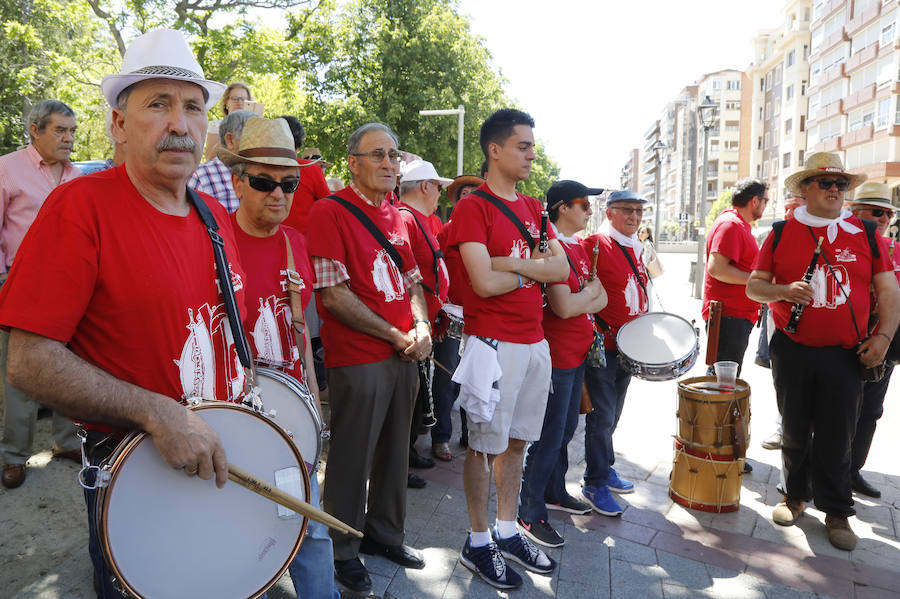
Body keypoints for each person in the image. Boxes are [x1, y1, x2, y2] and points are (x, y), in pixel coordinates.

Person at [0, 28, 253, 594]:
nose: (179, 123)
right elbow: (28, 361)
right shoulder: (79, 207)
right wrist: (158, 413)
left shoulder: (214, 214)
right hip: (133, 472)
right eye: (157, 104)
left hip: (214, 457)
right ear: (118, 124)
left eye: (193, 107)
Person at [747, 152, 900, 551]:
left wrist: (882, 338)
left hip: (847, 352)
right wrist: (782, 291)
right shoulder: (780, 232)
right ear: (805, 189)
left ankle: (836, 510)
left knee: (839, 432)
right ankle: (794, 495)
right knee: (794, 426)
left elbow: (889, 292)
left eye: (841, 185)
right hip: (793, 348)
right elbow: (754, 287)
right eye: (826, 183)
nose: (836, 191)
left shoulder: (866, 233)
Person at [445, 108, 568, 590]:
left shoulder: (535, 207)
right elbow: (482, 280)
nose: (531, 154)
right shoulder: (472, 207)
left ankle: (506, 527)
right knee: (481, 446)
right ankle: (478, 540)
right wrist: (525, 268)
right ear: (494, 150)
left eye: (533, 146)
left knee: (517, 441)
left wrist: (509, 265)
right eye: (523, 145)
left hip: (534, 341)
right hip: (492, 344)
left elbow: (560, 270)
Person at [306, 122, 431, 594]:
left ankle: (385, 533)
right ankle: (340, 547)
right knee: (350, 458)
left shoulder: (399, 216)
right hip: (359, 356)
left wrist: (419, 325)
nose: (387, 163)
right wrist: (398, 334)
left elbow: (413, 280)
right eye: (376, 154)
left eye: (394, 155)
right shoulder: (330, 212)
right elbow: (333, 297)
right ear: (353, 163)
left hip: (404, 351)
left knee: (397, 451)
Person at [221, 115, 338, 599]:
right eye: (264, 181)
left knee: (308, 524)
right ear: (237, 181)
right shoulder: (212, 241)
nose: (278, 193)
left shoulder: (297, 244)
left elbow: (300, 340)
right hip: (233, 414)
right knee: (239, 530)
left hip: (290, 413)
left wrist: (312, 404)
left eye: (289, 183)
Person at [518, 180, 607, 548]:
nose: (589, 211)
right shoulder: (550, 248)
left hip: (575, 353)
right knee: (549, 435)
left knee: (566, 429)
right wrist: (586, 295)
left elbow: (599, 297)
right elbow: (564, 306)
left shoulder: (579, 248)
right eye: (583, 204)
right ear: (561, 208)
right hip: (556, 357)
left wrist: (583, 296)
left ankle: (553, 491)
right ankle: (529, 510)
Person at [0, 99, 82, 489]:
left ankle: (66, 442)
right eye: (60, 130)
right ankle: (15, 456)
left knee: (70, 367)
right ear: (36, 130)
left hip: (71, 286)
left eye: (72, 132)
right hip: (21, 284)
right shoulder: (7, 168)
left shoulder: (78, 176)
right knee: (21, 373)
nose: (68, 139)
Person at [579, 190, 650, 517]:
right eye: (627, 211)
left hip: (629, 348)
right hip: (603, 348)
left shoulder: (637, 247)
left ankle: (604, 467)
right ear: (609, 213)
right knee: (602, 415)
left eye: (638, 211)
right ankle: (594, 482)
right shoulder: (595, 243)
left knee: (614, 414)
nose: (634, 217)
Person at [397, 160, 452, 483]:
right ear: (425, 186)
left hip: (423, 323)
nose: (440, 194)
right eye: (439, 187)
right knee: (408, 399)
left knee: (416, 398)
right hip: (411, 326)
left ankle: (407, 451)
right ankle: (398, 462)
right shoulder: (407, 219)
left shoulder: (418, 219)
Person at [845, 181, 898, 499]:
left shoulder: (897, 250)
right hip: (845, 340)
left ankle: (852, 472)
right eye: (877, 212)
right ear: (855, 213)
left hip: (883, 343)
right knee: (833, 410)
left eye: (889, 214)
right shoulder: (846, 245)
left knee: (870, 411)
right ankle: (812, 474)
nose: (884, 218)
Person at [433, 174, 485, 450]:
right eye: (466, 193)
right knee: (446, 377)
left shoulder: (489, 232)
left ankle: (471, 434)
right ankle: (441, 437)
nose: (471, 198)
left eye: (476, 193)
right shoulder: (445, 232)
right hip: (452, 315)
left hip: (482, 318)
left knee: (477, 378)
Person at [702, 177, 768, 377]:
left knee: (723, 380)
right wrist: (757, 281)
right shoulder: (731, 224)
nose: (766, 205)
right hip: (729, 318)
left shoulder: (736, 223)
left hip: (734, 318)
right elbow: (717, 268)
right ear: (754, 201)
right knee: (722, 382)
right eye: (766, 201)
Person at [759, 193, 806, 450]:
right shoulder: (778, 235)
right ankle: (782, 429)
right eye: (786, 209)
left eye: (795, 209)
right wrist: (785, 291)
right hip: (779, 317)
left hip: (816, 330)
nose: (788, 214)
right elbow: (758, 281)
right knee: (783, 377)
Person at [187, 109, 256, 212]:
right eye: (253, 138)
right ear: (230, 140)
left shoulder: (262, 173)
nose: (260, 144)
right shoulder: (202, 176)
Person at [280, 119, 331, 234]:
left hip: (271, 240)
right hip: (304, 244)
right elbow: (328, 206)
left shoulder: (262, 167)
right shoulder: (311, 169)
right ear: (299, 143)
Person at [203, 80, 255, 160]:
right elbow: (209, 158)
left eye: (244, 99)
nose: (239, 102)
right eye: (235, 98)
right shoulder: (215, 125)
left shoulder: (254, 127)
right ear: (226, 102)